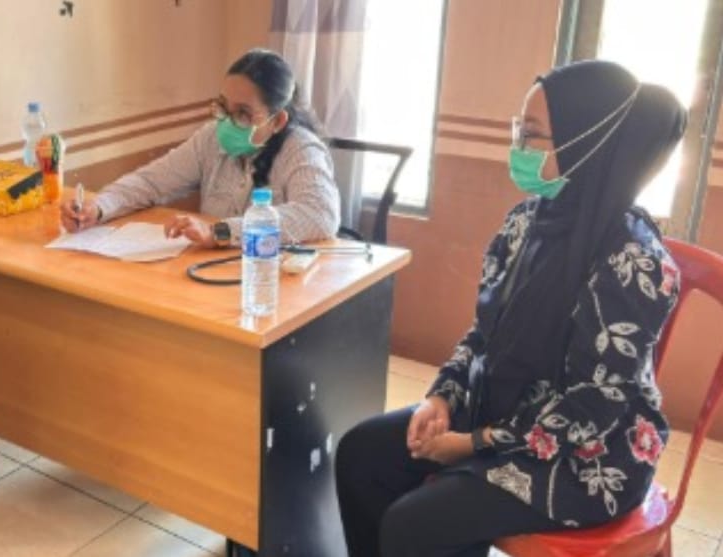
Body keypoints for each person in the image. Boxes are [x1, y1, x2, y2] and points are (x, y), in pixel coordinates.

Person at [334, 60, 686, 557]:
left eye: (534, 134)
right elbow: (483, 334)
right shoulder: (526, 223)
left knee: (415, 524)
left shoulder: (634, 262)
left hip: (589, 455)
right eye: (519, 129)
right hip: (499, 409)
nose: (519, 147)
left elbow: (594, 405)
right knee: (361, 456)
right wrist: (442, 399)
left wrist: (473, 443)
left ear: (585, 142)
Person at [61, 48, 341, 248]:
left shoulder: (301, 148)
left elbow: (319, 214)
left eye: (243, 113)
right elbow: (151, 182)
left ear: (277, 120)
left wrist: (220, 231)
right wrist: (98, 207)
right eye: (224, 107)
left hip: (269, 282)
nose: (228, 122)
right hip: (210, 273)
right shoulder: (211, 138)